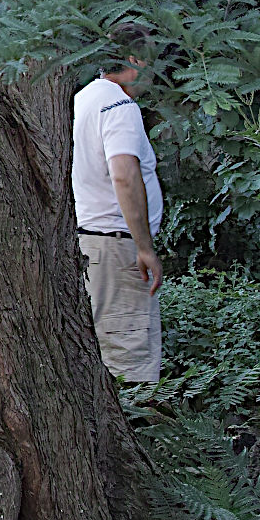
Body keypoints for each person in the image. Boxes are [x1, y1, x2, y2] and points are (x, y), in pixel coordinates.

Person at [71, 53, 163, 383]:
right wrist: (144, 248)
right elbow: (123, 174)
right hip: (118, 245)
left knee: (105, 352)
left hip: (91, 242)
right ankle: (138, 432)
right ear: (135, 59)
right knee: (129, 360)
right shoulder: (120, 107)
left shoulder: (85, 97)